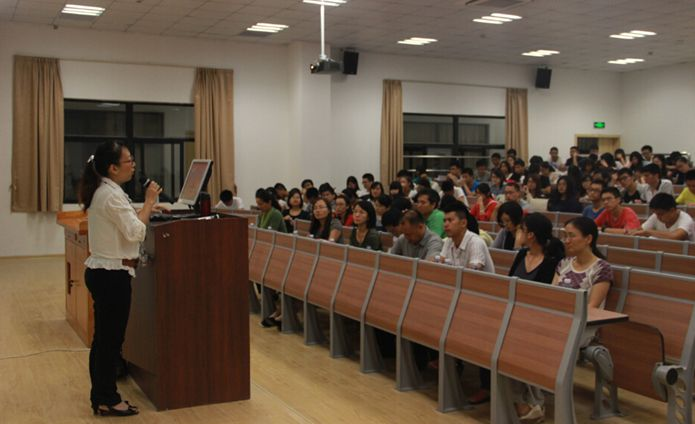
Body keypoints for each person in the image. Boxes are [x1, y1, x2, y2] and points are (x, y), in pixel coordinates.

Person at [79, 140, 163, 416]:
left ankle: (102, 395)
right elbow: (136, 232)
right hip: (111, 276)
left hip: (104, 273)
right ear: (113, 168)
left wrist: (145, 211)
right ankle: (107, 398)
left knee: (104, 340)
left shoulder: (106, 190)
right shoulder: (111, 195)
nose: (133, 165)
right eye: (129, 161)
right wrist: (149, 202)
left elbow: (127, 223)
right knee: (110, 342)